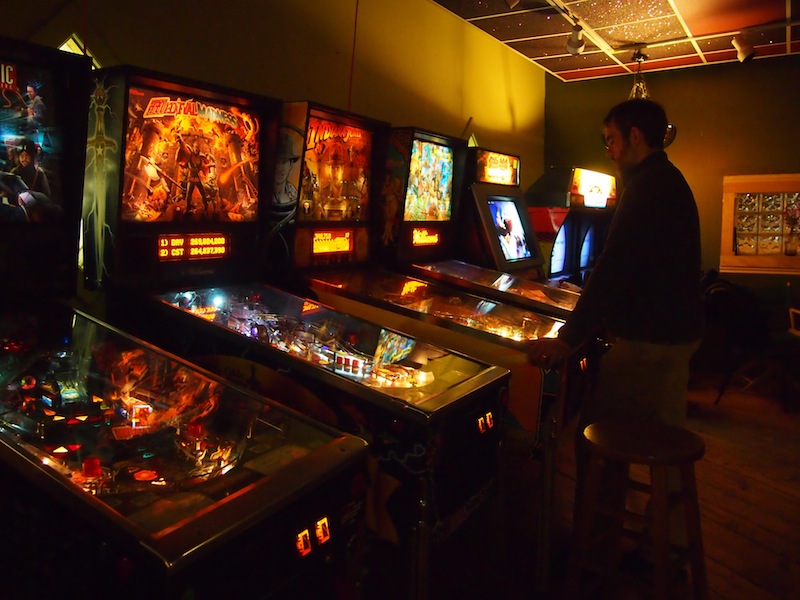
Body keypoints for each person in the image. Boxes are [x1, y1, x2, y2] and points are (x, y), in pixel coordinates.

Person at [527, 98, 704, 544]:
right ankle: (666, 544)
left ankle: (596, 544)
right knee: (665, 432)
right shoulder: (667, 181)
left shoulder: (647, 187)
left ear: (634, 137)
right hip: (672, 337)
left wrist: (567, 338)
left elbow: (613, 267)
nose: (608, 151)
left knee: (598, 438)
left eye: (611, 140)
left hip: (648, 343)